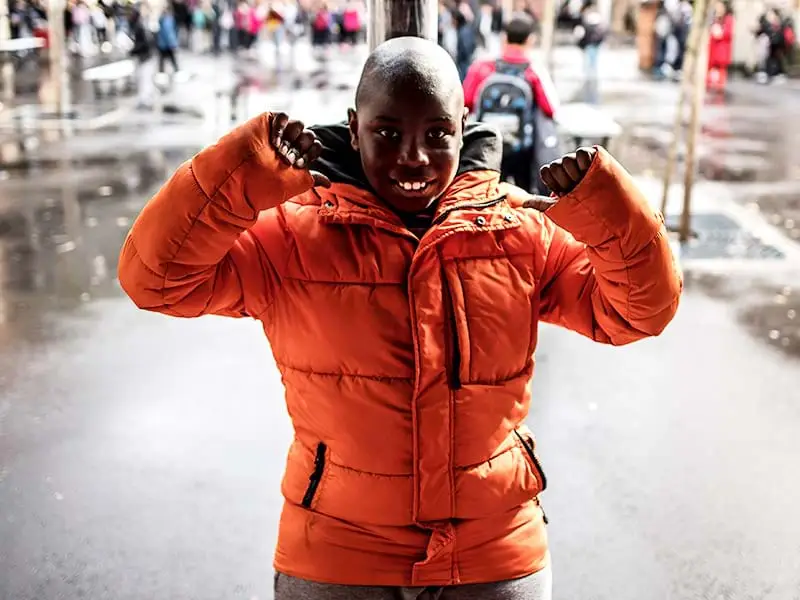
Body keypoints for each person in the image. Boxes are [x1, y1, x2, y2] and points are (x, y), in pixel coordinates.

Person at [118, 36, 682, 600]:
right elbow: (156, 279)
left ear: (464, 124)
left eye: (437, 134)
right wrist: (240, 173)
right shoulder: (292, 235)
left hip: (494, 552)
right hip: (339, 555)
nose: (413, 157)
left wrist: (610, 207)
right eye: (387, 133)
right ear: (354, 124)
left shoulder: (520, 231)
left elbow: (638, 311)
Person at [463, 12, 558, 120]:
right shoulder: (534, 71)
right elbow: (550, 110)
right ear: (530, 39)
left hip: (485, 134)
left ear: (504, 37)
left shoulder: (482, 66)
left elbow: (466, 102)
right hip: (520, 135)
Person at [706, 0, 734, 93]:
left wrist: (720, 32)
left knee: (720, 73)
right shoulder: (713, 19)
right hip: (713, 49)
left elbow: (728, 33)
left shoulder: (728, 19)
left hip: (722, 49)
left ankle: (719, 90)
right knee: (710, 73)